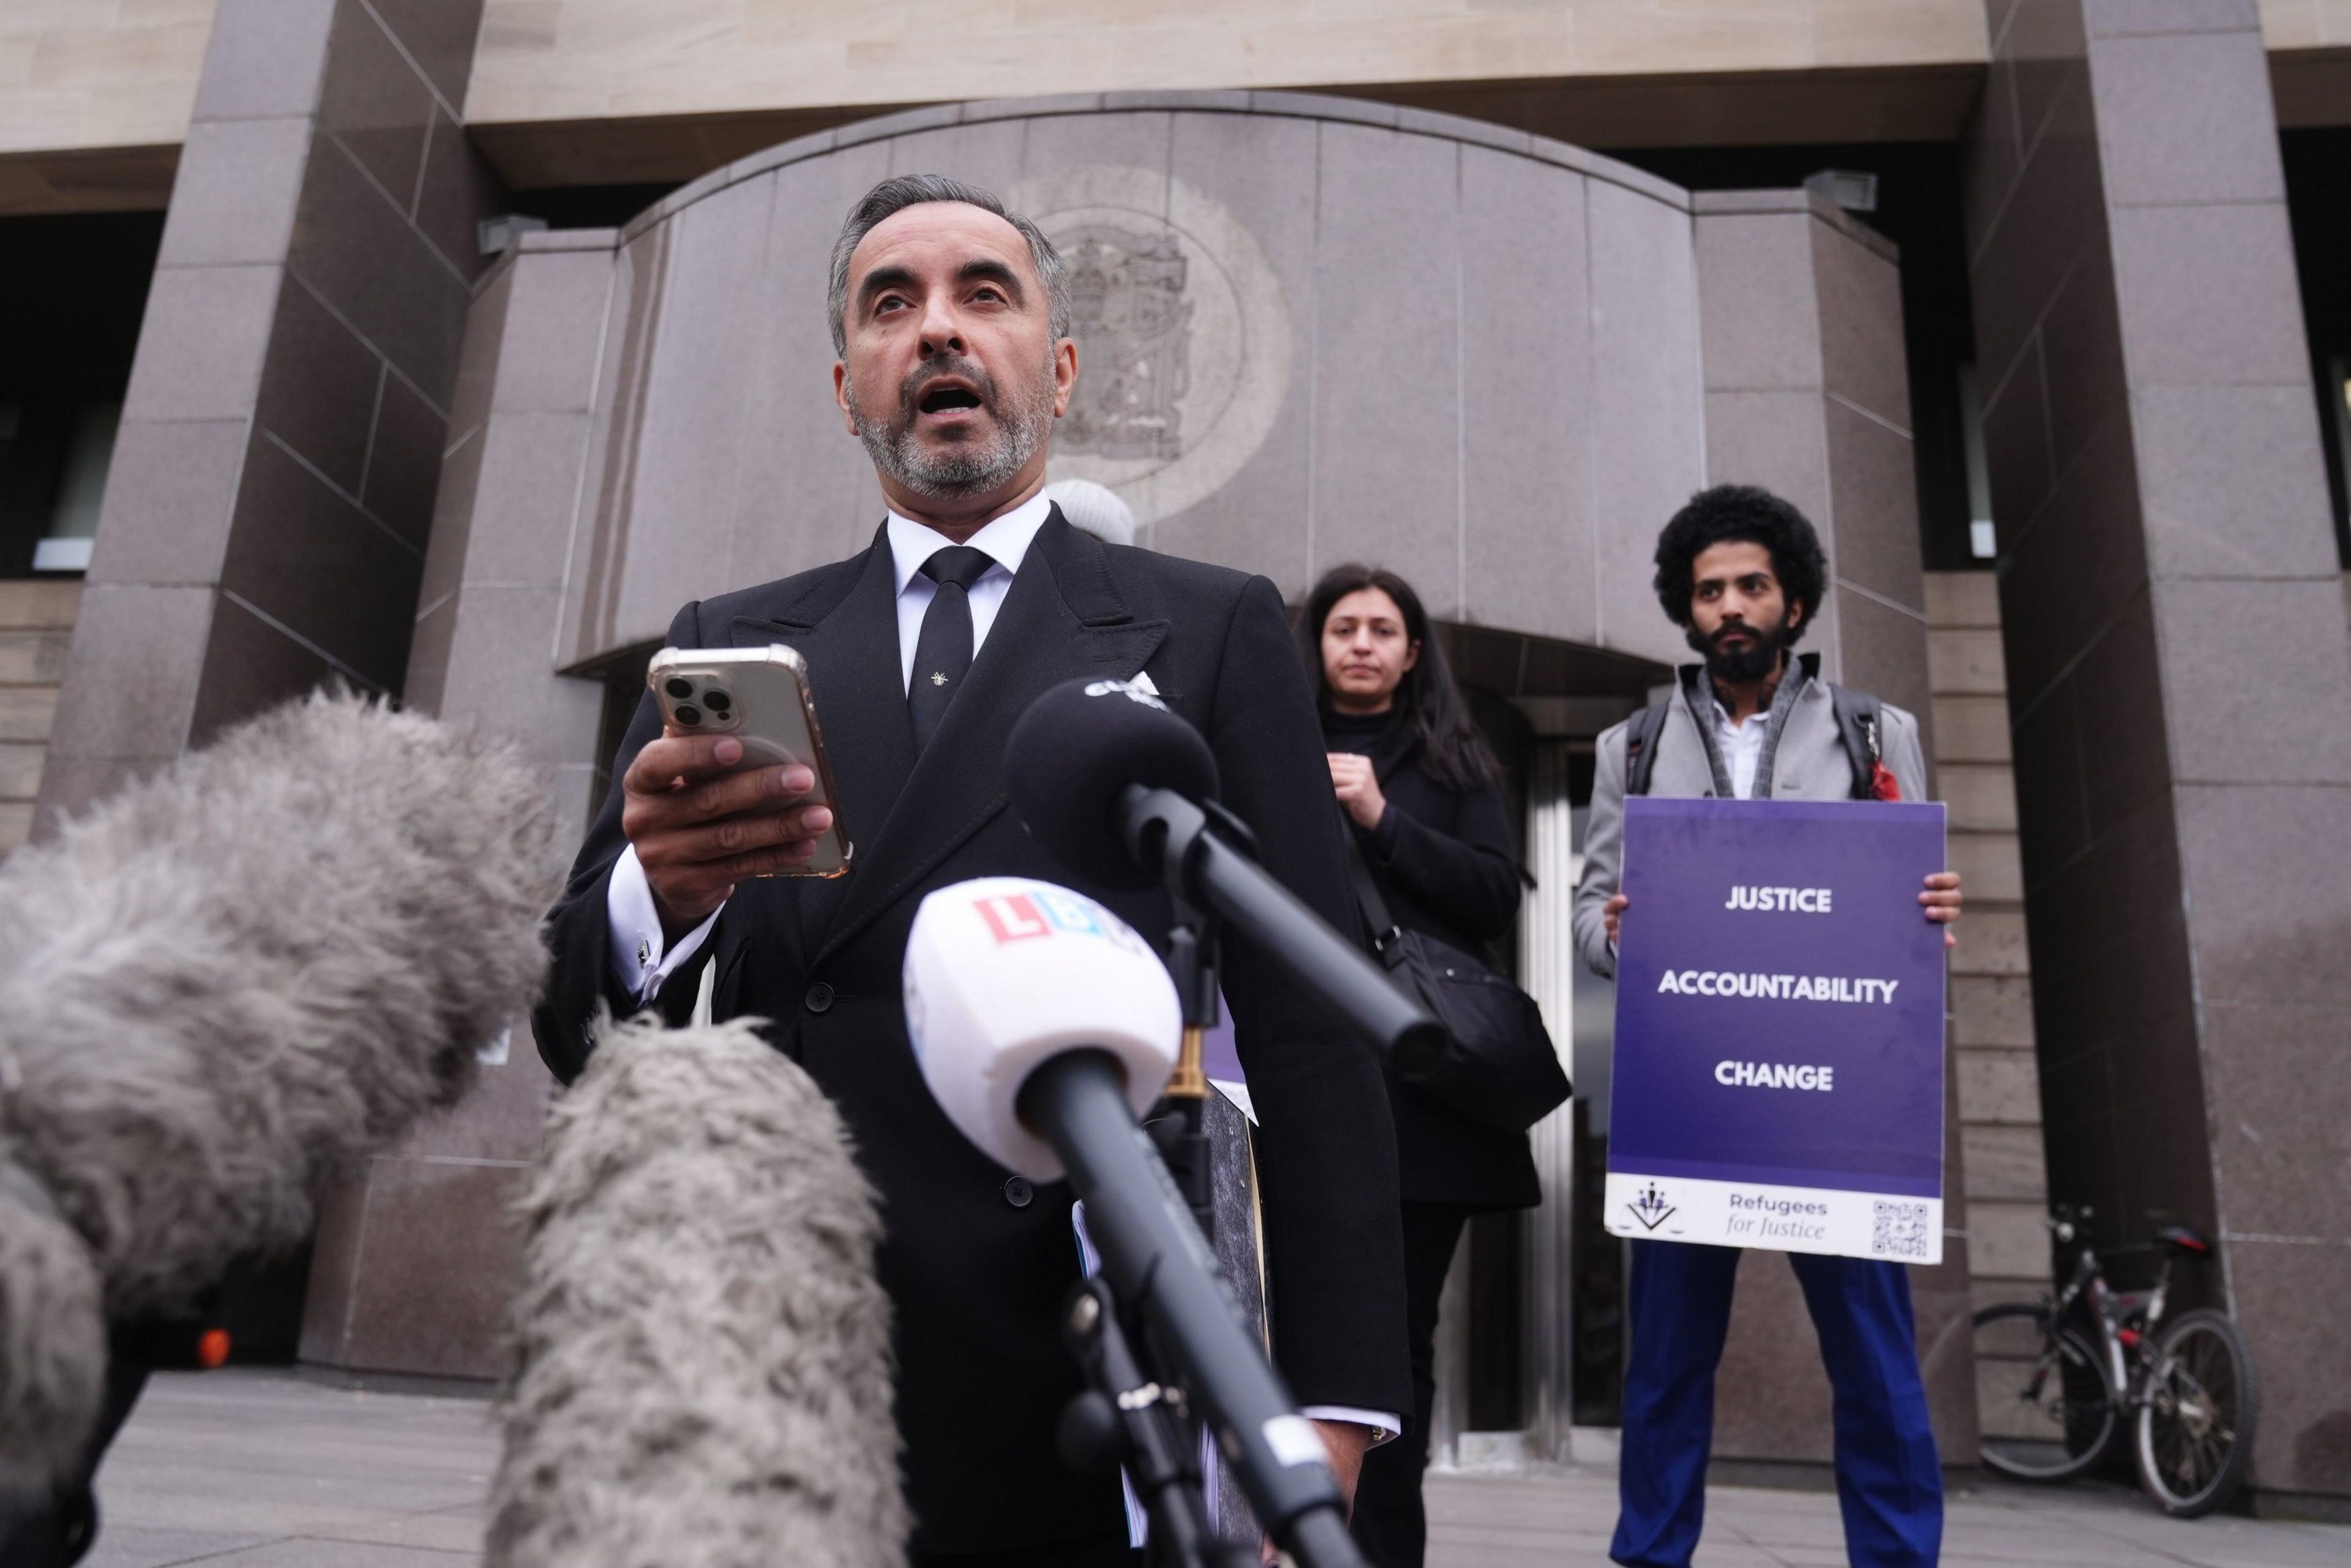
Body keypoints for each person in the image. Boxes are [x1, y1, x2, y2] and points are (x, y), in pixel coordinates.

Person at [531, 175, 1408, 1568]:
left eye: (981, 295)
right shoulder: (730, 641)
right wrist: (663, 896)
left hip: (1102, 1362)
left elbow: (1312, 1038)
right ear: (847, 386)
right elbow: (571, 1023)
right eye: (894, 304)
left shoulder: (1212, 630)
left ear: (1056, 370)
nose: (938, 330)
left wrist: (1336, 1404)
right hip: (789, 1364)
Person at [1570, 484, 1963, 1568]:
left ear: (1794, 600)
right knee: (1665, 1369)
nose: (1730, 606)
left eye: (1751, 585)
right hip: (1691, 1098)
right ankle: (1650, 1556)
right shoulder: (1631, 748)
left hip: (1838, 1110)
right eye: (1709, 592)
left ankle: (1896, 1559)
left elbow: (1911, 919)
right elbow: (1590, 925)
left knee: (1877, 1366)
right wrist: (1616, 931)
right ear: (1685, 611)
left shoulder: (1878, 731)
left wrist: (1932, 913)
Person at [1301, 564, 1537, 1568]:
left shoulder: (1455, 759)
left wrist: (1381, 820)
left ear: (1411, 650)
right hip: (1298, 1079)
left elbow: (1494, 896)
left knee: (1397, 1339)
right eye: (1343, 626)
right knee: (1291, 1328)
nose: (1361, 643)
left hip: (1423, 1104)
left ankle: (1386, 1550)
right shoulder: (1268, 741)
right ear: (1315, 642)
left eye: (1382, 628)